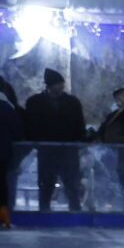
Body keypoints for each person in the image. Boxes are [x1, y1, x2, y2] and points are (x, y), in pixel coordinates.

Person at [24, 68, 86, 212]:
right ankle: (45, 212)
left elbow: (79, 124)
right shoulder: (36, 102)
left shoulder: (71, 102)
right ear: (49, 85)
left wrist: (78, 140)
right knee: (46, 184)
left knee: (71, 185)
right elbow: (31, 126)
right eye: (58, 84)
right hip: (49, 151)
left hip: (66, 151)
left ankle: (74, 211)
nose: (61, 87)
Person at [0, 80, 21, 228]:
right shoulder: (7, 107)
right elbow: (18, 132)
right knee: (2, 188)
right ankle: (4, 220)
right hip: (2, 154)